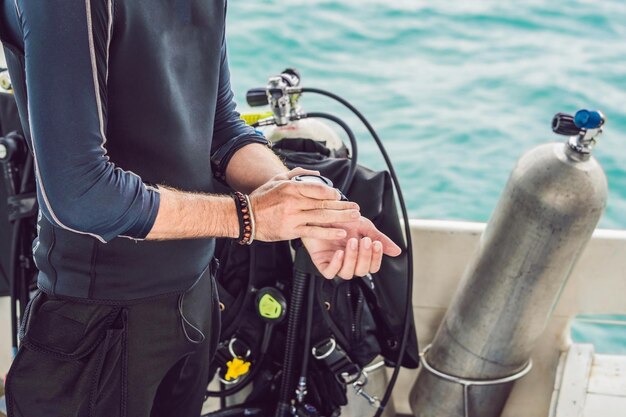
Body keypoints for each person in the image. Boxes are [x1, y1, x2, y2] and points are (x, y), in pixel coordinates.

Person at [0, 1, 401, 416]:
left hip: (195, 302)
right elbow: (82, 195)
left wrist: (299, 202)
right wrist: (250, 217)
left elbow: (219, 126)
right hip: (95, 319)